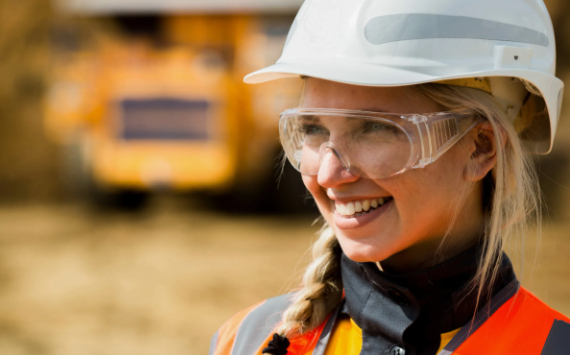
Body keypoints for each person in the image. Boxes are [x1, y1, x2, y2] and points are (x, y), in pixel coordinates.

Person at [209, 1, 570, 354]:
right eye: (313, 128)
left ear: (480, 148)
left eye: (374, 129)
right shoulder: (246, 340)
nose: (330, 173)